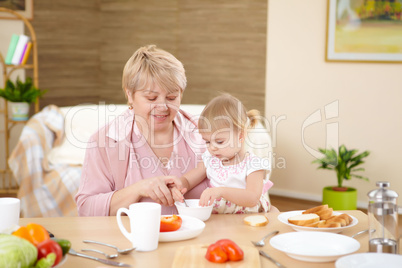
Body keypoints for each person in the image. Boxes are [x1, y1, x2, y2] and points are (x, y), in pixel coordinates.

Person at [75, 45, 208, 216]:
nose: (162, 106)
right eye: (151, 98)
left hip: (197, 240)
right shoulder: (104, 141)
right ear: (129, 94)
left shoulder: (204, 133)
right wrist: (139, 189)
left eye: (171, 97)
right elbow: (87, 209)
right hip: (130, 240)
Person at [173, 93, 274, 214]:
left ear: (241, 135)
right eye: (207, 141)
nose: (212, 148)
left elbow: (252, 198)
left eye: (219, 141)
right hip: (219, 217)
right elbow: (188, 180)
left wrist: (220, 191)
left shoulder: (254, 164)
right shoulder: (210, 159)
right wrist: (179, 186)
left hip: (247, 217)